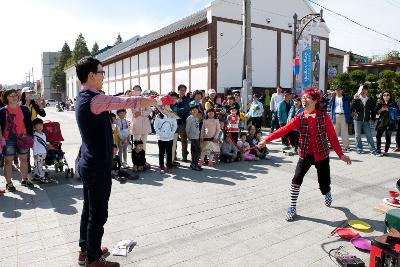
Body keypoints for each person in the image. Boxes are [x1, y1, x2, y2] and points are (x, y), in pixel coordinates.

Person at [75, 56, 174, 267]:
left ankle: (86, 249)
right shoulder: (94, 99)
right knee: (98, 213)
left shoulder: (87, 96)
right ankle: (93, 260)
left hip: (89, 161)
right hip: (96, 165)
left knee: (89, 209)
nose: (103, 76)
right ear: (91, 75)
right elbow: (128, 102)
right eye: (102, 72)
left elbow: (118, 99)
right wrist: (157, 101)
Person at [258, 89, 351, 221]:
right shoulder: (299, 117)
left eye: (307, 98)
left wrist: (341, 155)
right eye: (303, 98)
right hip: (305, 154)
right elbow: (283, 130)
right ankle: (292, 206)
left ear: (315, 101)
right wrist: (266, 140)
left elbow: (332, 137)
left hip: (322, 154)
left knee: (323, 184)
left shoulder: (324, 117)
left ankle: (327, 192)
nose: (303, 100)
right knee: (296, 179)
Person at [0, 88, 34, 192]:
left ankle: (24, 179)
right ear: (6, 98)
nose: (14, 97)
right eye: (11, 95)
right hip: (8, 139)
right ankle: (9, 183)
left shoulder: (24, 109)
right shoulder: (2, 111)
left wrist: (30, 136)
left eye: (15, 95)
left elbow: (29, 124)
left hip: (22, 138)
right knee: (8, 161)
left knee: (24, 159)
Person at [351, 84, 380, 156]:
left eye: (365, 89)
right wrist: (354, 99)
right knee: (357, 135)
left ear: (367, 90)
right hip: (357, 120)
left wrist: (373, 118)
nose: (363, 91)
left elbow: (372, 110)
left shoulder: (370, 99)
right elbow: (351, 108)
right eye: (362, 89)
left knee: (369, 135)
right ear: (360, 91)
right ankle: (359, 149)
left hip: (366, 120)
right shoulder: (357, 99)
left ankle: (373, 150)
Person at [329, 86, 352, 152]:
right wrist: (331, 96)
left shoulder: (345, 98)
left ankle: (346, 146)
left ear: (342, 90)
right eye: (337, 90)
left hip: (343, 115)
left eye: (339, 90)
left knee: (344, 132)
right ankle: (333, 145)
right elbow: (329, 105)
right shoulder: (333, 98)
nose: (338, 91)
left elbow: (349, 105)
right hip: (335, 115)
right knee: (334, 132)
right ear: (335, 91)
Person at [154, 109, 177, 174]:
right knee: (161, 153)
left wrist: (171, 133)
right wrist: (160, 134)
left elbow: (175, 125)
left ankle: (169, 166)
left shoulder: (172, 115)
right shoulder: (158, 116)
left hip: (170, 137)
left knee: (169, 152)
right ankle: (161, 167)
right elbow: (155, 126)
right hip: (161, 138)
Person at [130, 85, 152, 151]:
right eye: (135, 90)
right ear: (132, 91)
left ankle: (143, 158)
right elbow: (132, 112)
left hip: (145, 124)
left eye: (138, 90)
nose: (136, 91)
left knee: (144, 142)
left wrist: (141, 113)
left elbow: (149, 110)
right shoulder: (131, 100)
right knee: (136, 142)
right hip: (136, 124)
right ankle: (136, 159)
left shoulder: (145, 99)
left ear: (141, 91)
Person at [375, 91, 397, 156]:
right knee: (378, 136)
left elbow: (397, 112)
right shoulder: (380, 103)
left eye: (387, 95)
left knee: (388, 137)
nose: (386, 96)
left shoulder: (393, 103)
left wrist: (389, 109)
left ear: (390, 96)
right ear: (382, 96)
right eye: (384, 95)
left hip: (390, 122)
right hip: (381, 122)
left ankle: (386, 151)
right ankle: (378, 149)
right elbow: (376, 112)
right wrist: (381, 109)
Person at [172, 84, 190, 162]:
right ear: (178, 90)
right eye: (181, 90)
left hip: (183, 122)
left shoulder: (187, 99)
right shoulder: (174, 98)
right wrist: (176, 103)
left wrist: (176, 109)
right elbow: (171, 108)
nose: (182, 91)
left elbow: (185, 109)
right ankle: (174, 156)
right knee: (174, 141)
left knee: (184, 140)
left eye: (184, 90)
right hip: (175, 122)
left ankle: (184, 157)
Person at [32, 118, 50, 183]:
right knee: (39, 166)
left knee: (39, 165)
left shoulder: (43, 134)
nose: (40, 127)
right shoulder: (35, 135)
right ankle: (42, 177)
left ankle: (37, 176)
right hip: (38, 153)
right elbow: (34, 146)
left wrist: (49, 146)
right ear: (34, 127)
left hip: (44, 153)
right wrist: (35, 154)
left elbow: (45, 142)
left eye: (41, 125)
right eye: (37, 125)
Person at [186, 105, 202, 171]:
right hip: (192, 137)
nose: (195, 111)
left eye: (196, 110)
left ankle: (193, 164)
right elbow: (187, 128)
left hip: (196, 136)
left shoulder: (196, 117)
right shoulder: (190, 118)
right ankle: (194, 164)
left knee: (194, 151)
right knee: (198, 150)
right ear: (191, 111)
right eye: (193, 110)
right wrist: (188, 136)